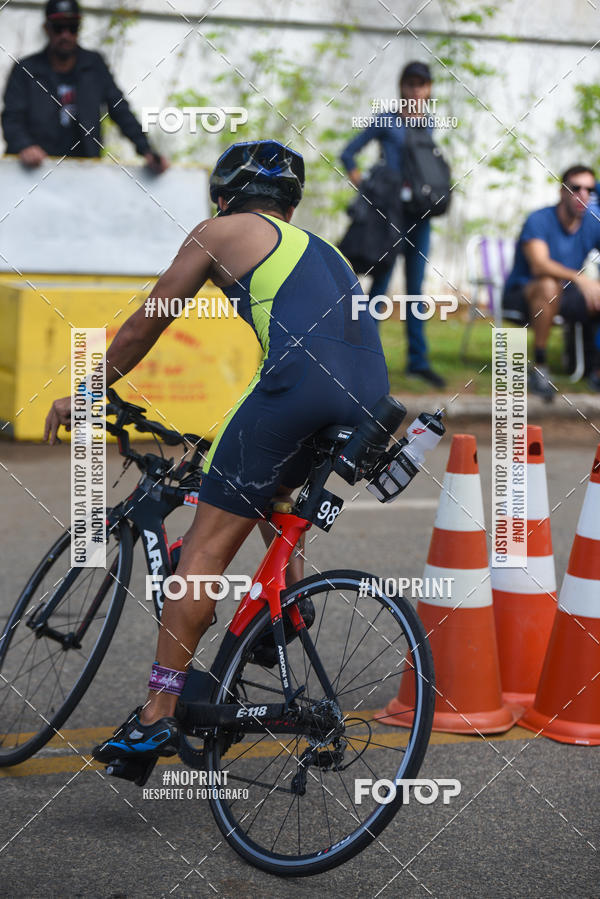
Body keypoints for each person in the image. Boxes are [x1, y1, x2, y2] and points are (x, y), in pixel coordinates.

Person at [43, 139, 390, 763]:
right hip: (368, 398)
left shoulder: (219, 232)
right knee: (272, 496)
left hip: (296, 389)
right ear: (289, 202)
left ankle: (157, 714)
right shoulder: (322, 249)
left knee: (201, 550)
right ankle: (283, 612)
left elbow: (147, 322)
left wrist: (86, 390)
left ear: (224, 197)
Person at [341, 61, 446, 388]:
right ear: (402, 86)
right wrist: (363, 183)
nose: (416, 90)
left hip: (420, 216)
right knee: (380, 288)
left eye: (422, 84)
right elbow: (349, 153)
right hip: (389, 218)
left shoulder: (429, 124)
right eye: (410, 83)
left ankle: (418, 362)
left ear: (429, 90)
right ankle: (361, 356)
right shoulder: (387, 120)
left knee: (416, 290)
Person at [1, 0, 168, 172]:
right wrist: (25, 146)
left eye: (72, 27)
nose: (65, 35)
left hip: (84, 171)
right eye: (58, 28)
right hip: (36, 170)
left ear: (79, 28)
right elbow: (12, 118)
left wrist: (146, 150)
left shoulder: (94, 65)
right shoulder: (26, 69)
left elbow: (119, 109)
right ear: (47, 29)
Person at [503, 164, 600, 400]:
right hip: (523, 294)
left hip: (565, 296)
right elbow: (539, 265)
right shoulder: (539, 219)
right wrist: (580, 277)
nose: (583, 194)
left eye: (590, 189)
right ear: (562, 191)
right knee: (548, 285)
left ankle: (595, 369)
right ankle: (540, 367)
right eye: (576, 188)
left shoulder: (592, 223)